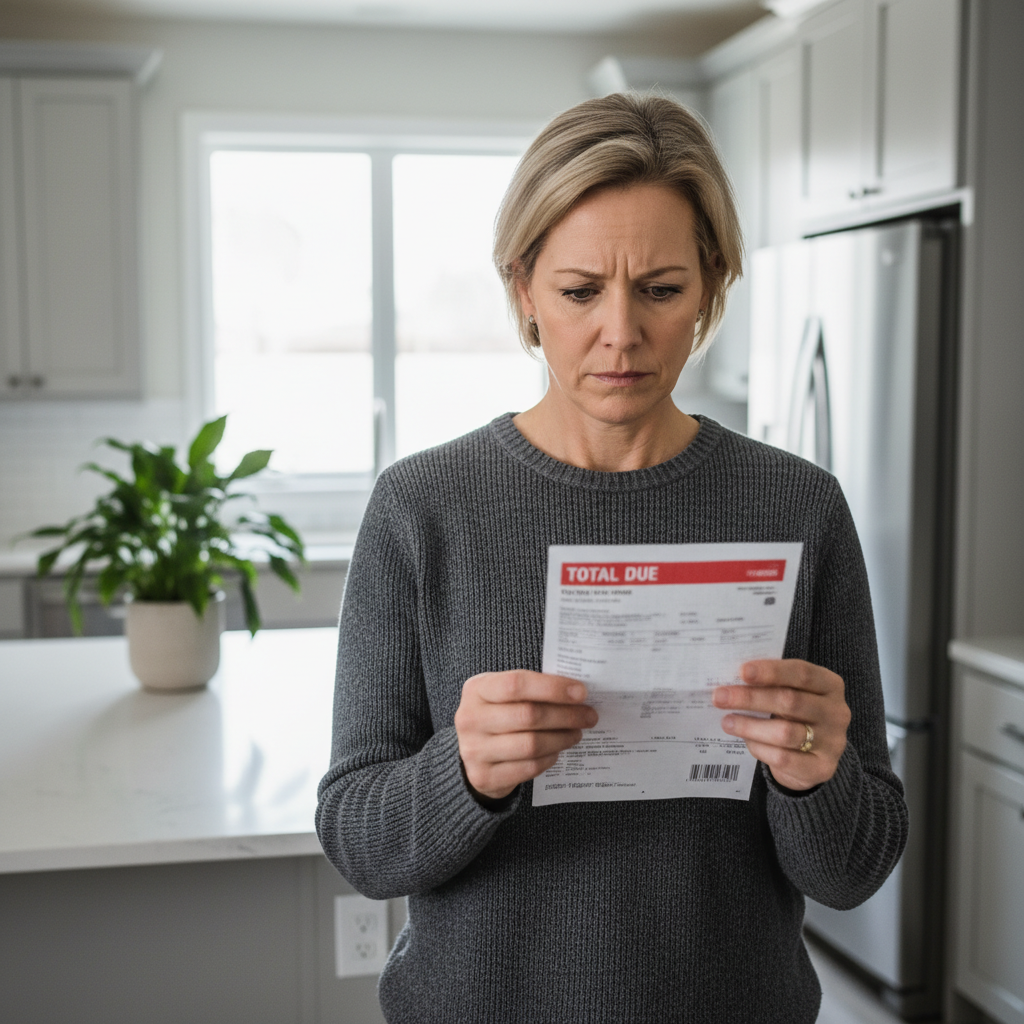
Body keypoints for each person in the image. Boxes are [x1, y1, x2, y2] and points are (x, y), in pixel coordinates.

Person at [316, 93, 907, 1024]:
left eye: (662, 290)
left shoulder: (800, 508)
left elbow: (854, 870)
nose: (620, 334)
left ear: (711, 286)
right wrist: (462, 772)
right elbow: (357, 837)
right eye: (580, 290)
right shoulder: (421, 508)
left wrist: (815, 772)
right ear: (523, 288)